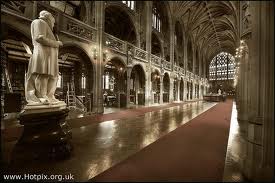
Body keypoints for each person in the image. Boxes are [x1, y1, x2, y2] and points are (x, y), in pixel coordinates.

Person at [25, 10, 63, 104]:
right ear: (48, 18)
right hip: (43, 54)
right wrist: (56, 43)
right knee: (43, 75)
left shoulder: (46, 26)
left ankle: (50, 95)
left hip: (50, 56)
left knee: (53, 76)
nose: (53, 25)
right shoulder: (39, 22)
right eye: (53, 22)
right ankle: (41, 96)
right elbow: (39, 38)